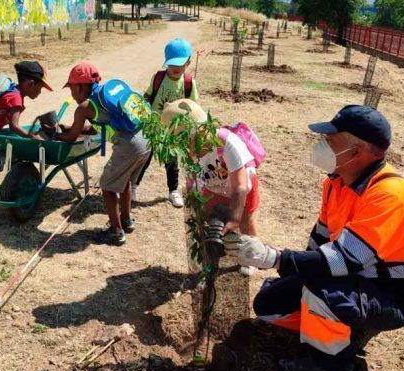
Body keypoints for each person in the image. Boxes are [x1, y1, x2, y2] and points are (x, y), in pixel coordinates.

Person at [238, 105, 404, 371]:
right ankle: (340, 331)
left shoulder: (390, 195)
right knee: (269, 305)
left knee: (320, 290)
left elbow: (342, 259)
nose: (323, 146)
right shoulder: (337, 183)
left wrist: (275, 258)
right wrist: (294, 274)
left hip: (390, 294)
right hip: (355, 277)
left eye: (331, 141)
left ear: (357, 152)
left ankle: (334, 368)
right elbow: (319, 241)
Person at [160, 99, 261, 275]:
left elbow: (240, 187)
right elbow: (193, 181)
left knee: (245, 221)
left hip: (241, 187)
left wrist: (234, 219)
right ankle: (210, 262)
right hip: (213, 186)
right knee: (210, 222)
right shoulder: (187, 152)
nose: (183, 148)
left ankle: (250, 255)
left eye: (183, 142)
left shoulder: (227, 142)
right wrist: (198, 212)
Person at [55, 61, 151, 246]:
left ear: (80, 86)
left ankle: (116, 232)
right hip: (145, 141)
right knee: (123, 182)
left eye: (72, 89)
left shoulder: (83, 107)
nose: (71, 94)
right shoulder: (104, 96)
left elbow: (70, 138)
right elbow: (100, 127)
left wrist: (56, 134)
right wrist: (72, 127)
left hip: (129, 147)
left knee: (107, 186)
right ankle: (126, 220)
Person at [0, 61, 52, 207]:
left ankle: (12, 182)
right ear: (30, 84)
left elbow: (11, 125)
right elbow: (15, 126)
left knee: (12, 153)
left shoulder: (15, 92)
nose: (40, 93)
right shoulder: (16, 98)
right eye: (40, 88)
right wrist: (32, 137)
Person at [134, 38, 199, 207]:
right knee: (144, 157)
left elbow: (193, 106)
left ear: (188, 62)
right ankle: (133, 186)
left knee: (172, 161)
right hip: (154, 126)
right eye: (172, 64)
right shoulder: (158, 77)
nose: (176, 68)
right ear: (166, 63)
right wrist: (140, 109)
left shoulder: (188, 83)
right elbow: (147, 96)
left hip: (173, 130)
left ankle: (173, 191)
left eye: (180, 64)